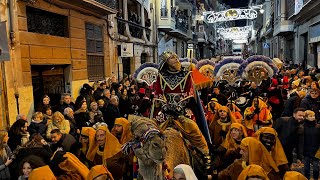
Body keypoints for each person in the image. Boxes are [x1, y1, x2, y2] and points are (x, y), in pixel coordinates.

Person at [152, 51, 210, 173]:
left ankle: (205, 154)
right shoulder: (161, 75)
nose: (176, 60)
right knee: (152, 130)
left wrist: (179, 106)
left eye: (176, 57)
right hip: (165, 110)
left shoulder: (187, 74)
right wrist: (165, 106)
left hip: (182, 110)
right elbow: (158, 93)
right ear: (166, 62)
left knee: (193, 128)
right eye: (172, 58)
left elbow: (189, 92)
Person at [303, 110, 320, 180]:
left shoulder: (318, 127)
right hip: (306, 150)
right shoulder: (303, 127)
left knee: (316, 168)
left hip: (316, 149)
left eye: (314, 116)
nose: (313, 117)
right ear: (306, 117)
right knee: (306, 168)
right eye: (310, 116)